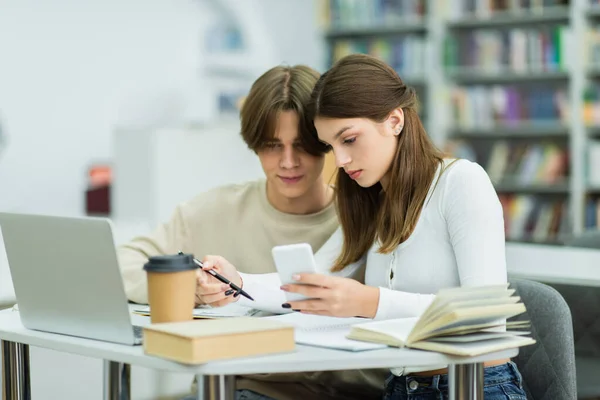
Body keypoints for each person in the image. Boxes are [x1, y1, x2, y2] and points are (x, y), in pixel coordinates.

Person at [117, 63, 386, 400]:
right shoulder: (213, 210)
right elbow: (125, 262)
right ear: (254, 144)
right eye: (273, 146)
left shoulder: (365, 218)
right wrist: (190, 289)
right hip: (237, 387)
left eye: (302, 144)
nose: (289, 162)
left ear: (327, 143)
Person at [275, 53, 528, 399]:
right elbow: (305, 282)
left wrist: (371, 302)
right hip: (401, 389)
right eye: (331, 146)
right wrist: (235, 282)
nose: (342, 160)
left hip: (474, 387)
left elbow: (485, 316)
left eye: (348, 139)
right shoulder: (370, 200)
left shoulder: (462, 182)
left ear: (394, 120)